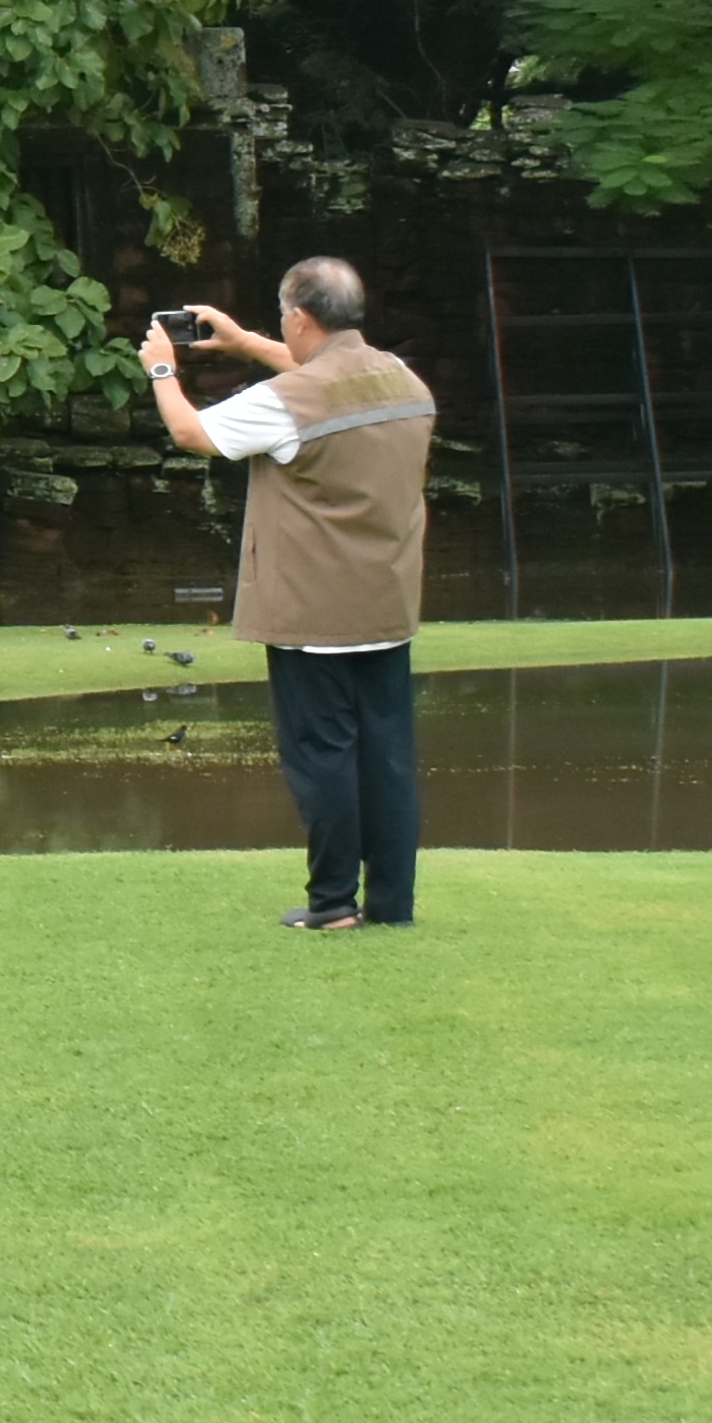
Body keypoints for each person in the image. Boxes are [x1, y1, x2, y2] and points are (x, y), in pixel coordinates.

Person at [139, 259, 437, 934]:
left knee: (324, 759)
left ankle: (332, 904)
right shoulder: (400, 375)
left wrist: (162, 368)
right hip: (387, 606)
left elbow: (191, 433)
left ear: (300, 317)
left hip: (313, 615)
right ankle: (392, 905)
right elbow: (327, 380)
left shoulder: (288, 400)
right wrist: (245, 342)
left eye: (282, 317)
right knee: (387, 762)